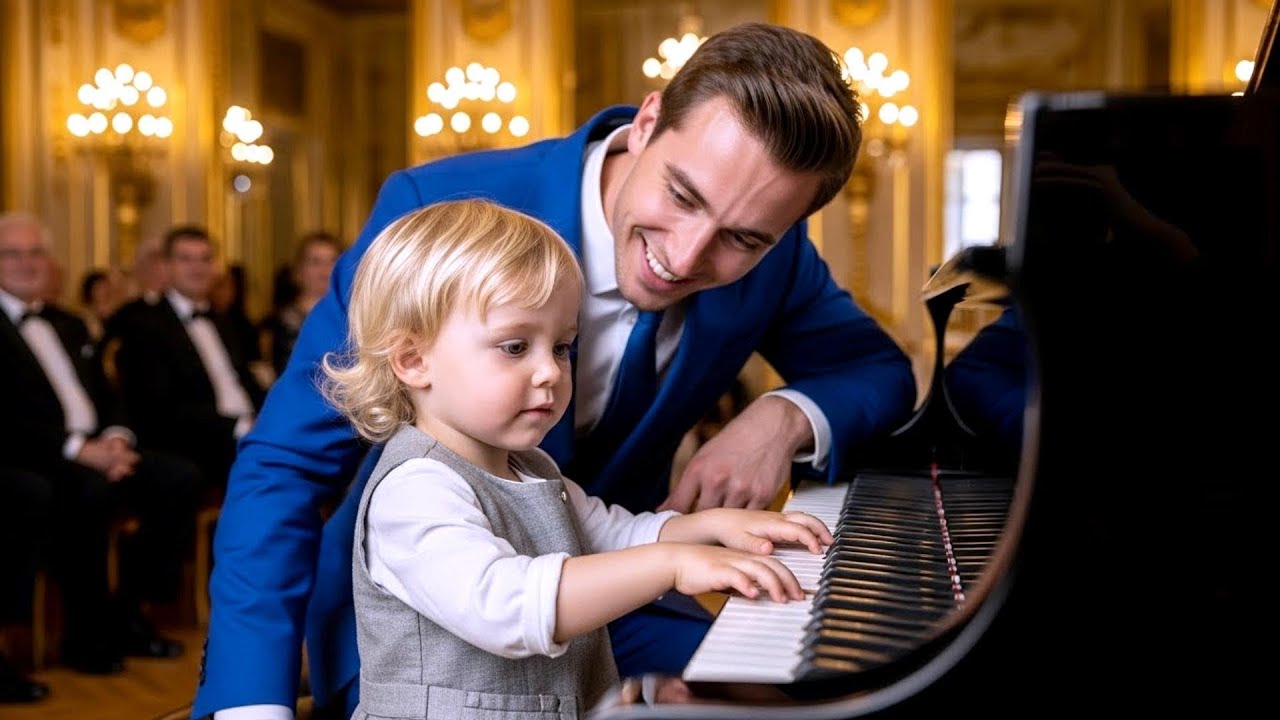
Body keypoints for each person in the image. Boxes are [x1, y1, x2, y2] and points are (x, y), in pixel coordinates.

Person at [195, 22, 916, 720]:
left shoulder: (779, 260)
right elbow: (286, 466)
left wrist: (780, 418)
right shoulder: (437, 210)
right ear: (649, 120)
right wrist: (247, 703)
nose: (689, 255)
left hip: (616, 600)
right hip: (425, 636)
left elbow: (875, 370)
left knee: (774, 705)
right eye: (683, 196)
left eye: (742, 238)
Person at [325, 199, 830, 718]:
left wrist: (710, 527)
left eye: (563, 346)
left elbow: (613, 535)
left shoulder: (530, 467)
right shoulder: (416, 489)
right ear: (413, 360)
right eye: (516, 347)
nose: (550, 371)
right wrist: (671, 565)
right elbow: (506, 606)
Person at [0, 213, 197, 675]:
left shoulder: (68, 323)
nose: (27, 263)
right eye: (12, 254)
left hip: (96, 450)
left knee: (176, 477)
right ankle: (83, 634)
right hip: (35, 455)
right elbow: (6, 419)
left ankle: (130, 609)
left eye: (35, 252)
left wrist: (116, 438)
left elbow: (109, 395)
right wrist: (76, 450)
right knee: (84, 492)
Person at [262, 231, 343, 378]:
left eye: (333, 261)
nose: (325, 271)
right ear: (299, 271)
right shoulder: (280, 324)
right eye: (316, 262)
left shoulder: (352, 317)